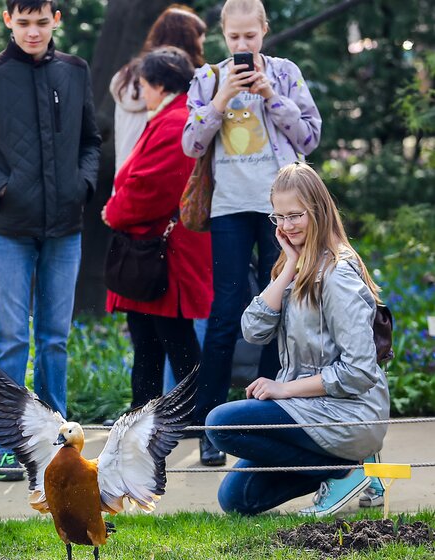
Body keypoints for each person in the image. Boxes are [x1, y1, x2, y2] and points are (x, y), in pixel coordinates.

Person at [0, 0, 101, 481]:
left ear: (56, 20)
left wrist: (83, 185)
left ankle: (58, 440)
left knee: (55, 340)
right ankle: (7, 444)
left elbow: (91, 142)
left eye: (41, 22)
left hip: (65, 229)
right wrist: (2, 189)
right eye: (23, 23)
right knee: (11, 339)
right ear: (7, 20)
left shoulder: (76, 72)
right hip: (10, 231)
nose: (32, 32)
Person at [181, 0, 322, 466]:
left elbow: (309, 137)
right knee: (225, 312)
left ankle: (263, 418)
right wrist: (220, 100)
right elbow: (190, 143)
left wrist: (271, 98)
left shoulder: (285, 74)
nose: (243, 46)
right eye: (234, 38)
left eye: (250, 37)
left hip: (283, 209)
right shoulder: (207, 79)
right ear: (224, 34)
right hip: (228, 209)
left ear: (264, 31)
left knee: (280, 306)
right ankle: (208, 424)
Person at [205, 162, 389, 516]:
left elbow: (359, 372)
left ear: (317, 211)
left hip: (349, 413)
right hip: (309, 411)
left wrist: (284, 389)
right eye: (278, 218)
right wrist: (288, 266)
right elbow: (253, 330)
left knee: (220, 423)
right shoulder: (297, 264)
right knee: (236, 500)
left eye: (295, 216)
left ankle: (346, 469)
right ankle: (356, 471)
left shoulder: (337, 274)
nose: (286, 227)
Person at [102, 47, 212, 410]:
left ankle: (199, 421)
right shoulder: (174, 116)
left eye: (145, 85)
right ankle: (145, 420)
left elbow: (149, 188)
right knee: (150, 343)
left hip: (165, 256)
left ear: (161, 85)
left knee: (174, 344)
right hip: (157, 254)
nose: (142, 93)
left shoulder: (173, 121)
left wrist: (113, 212)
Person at [109, 4, 206, 173]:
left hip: (126, 174)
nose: (202, 48)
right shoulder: (189, 85)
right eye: (200, 41)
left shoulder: (126, 77)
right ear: (189, 42)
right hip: (163, 177)